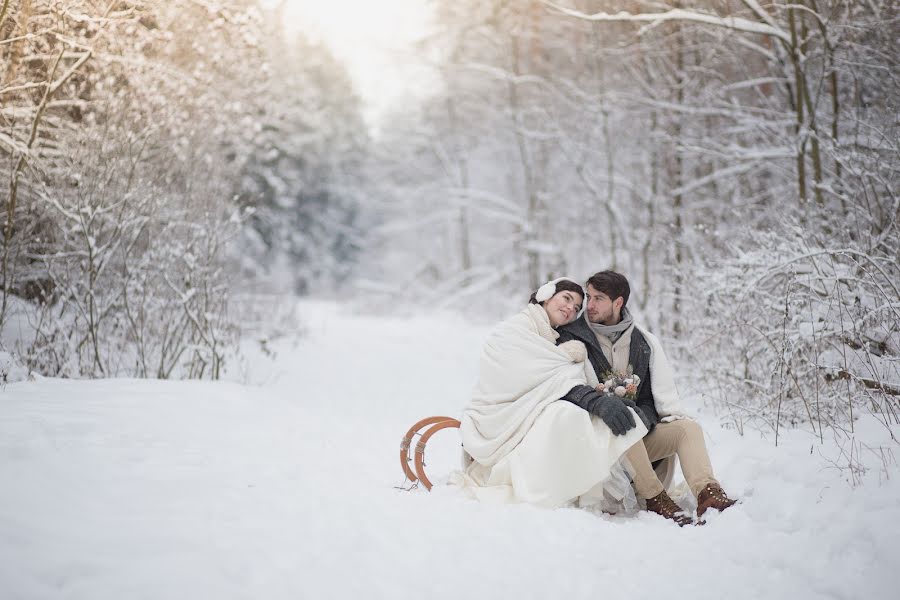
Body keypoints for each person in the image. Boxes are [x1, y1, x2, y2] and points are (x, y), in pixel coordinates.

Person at [557, 270, 737, 526]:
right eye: (588, 297)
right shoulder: (571, 336)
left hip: (634, 436)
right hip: (594, 438)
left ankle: (708, 494)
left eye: (598, 298)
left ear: (617, 303)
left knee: (687, 428)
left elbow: (651, 401)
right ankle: (655, 497)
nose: (590, 305)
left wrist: (641, 416)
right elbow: (562, 386)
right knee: (621, 419)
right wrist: (604, 405)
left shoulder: (642, 343)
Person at [454, 277, 647, 511]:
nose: (570, 308)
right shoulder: (513, 330)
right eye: (566, 299)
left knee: (571, 415)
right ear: (546, 296)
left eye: (577, 308)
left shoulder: (553, 339)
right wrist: (564, 356)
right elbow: (517, 376)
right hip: (500, 416)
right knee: (564, 414)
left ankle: (571, 483)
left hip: (530, 412)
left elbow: (556, 380)